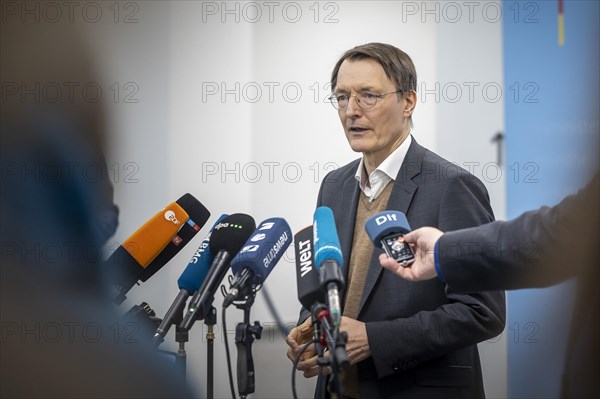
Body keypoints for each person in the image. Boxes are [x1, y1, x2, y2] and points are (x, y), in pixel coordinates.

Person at [286, 43, 506, 399]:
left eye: (368, 96)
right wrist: (313, 327)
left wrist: (374, 339)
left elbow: (483, 311)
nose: (351, 111)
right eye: (342, 97)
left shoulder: (452, 186)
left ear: (407, 102)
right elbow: (329, 285)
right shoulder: (334, 186)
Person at [380, 173, 599, 398]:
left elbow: (561, 233)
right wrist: (441, 251)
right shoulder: (341, 183)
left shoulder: (453, 182)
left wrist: (374, 340)